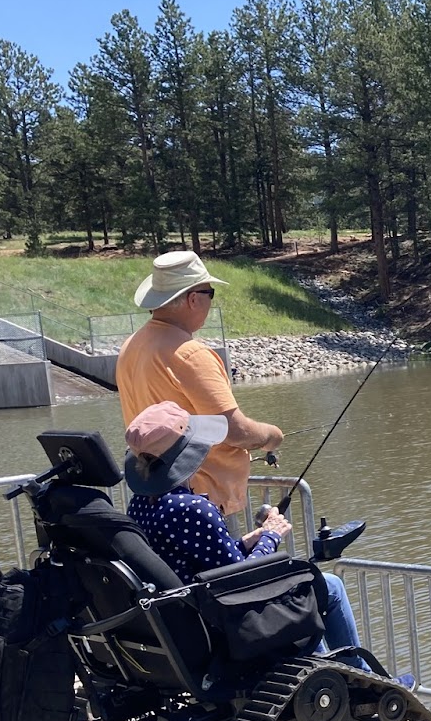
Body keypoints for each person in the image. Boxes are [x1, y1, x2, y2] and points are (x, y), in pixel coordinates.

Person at [122, 401, 364, 660]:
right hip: (222, 623)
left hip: (183, 619)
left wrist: (246, 542)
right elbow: (244, 583)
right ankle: (362, 679)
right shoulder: (192, 509)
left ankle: (328, 671)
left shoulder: (140, 505)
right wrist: (271, 536)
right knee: (332, 586)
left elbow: (201, 559)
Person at [116, 250, 282, 517]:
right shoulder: (191, 354)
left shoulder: (132, 345)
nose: (211, 301)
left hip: (155, 495)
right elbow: (234, 431)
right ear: (193, 299)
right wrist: (271, 436)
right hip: (200, 502)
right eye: (210, 293)